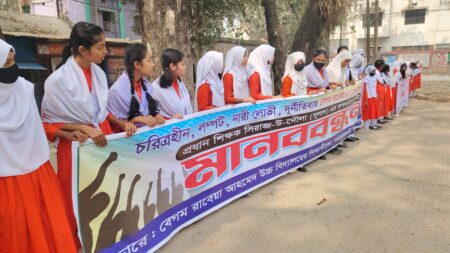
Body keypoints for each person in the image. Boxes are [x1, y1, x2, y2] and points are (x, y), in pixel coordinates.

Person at [0, 39, 78, 253]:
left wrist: (63, 132)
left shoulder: (24, 89)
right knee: (16, 237)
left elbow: (35, 126)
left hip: (39, 175)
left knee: (52, 231)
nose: (12, 68)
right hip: (6, 184)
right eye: (5, 64)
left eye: (12, 61)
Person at [40, 22, 113, 241]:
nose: (105, 52)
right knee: (77, 194)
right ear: (83, 50)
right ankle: (79, 238)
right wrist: (82, 127)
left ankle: (105, 232)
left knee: (105, 187)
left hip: (100, 137)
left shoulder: (99, 73)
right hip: (75, 145)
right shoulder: (57, 81)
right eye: (100, 47)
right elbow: (48, 123)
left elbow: (102, 112)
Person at [108, 43, 165, 134]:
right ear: (137, 64)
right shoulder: (116, 91)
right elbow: (115, 127)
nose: (153, 65)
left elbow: (150, 113)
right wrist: (136, 120)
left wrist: (156, 116)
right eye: (149, 60)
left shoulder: (147, 86)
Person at [151, 48, 193, 119]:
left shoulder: (180, 84)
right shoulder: (155, 88)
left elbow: (187, 108)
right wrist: (171, 120)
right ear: (172, 66)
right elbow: (154, 115)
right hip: (171, 129)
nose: (185, 67)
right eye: (183, 64)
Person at [362, 65, 381, 130]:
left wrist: (377, 96)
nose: (373, 72)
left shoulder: (375, 77)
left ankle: (373, 125)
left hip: (374, 97)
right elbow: (365, 90)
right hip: (368, 98)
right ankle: (367, 126)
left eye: (374, 71)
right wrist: (366, 100)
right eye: (372, 71)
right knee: (368, 113)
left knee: (374, 111)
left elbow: (376, 88)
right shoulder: (366, 79)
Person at [374, 59, 388, 124]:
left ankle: (380, 118)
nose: (383, 67)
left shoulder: (377, 71)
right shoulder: (376, 72)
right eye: (382, 65)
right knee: (379, 104)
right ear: (380, 66)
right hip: (378, 89)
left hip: (380, 89)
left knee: (381, 103)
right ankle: (378, 118)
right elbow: (381, 81)